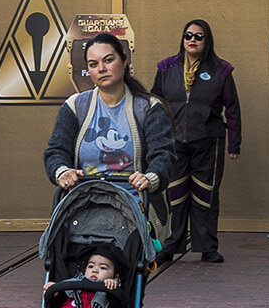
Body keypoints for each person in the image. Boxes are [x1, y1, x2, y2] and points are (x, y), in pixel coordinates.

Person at [45, 34, 177, 206]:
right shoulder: (75, 106)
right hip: (84, 206)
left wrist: (150, 177)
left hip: (135, 207)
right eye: (93, 64)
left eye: (108, 60)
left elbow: (163, 154)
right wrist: (62, 171)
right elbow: (56, 150)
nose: (101, 68)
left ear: (124, 61)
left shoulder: (148, 108)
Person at [152, 20, 241, 264]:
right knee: (175, 194)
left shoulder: (221, 70)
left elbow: (232, 109)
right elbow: (155, 104)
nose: (192, 39)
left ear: (207, 40)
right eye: (188, 35)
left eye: (198, 36)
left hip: (208, 141)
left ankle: (207, 247)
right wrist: (153, 138)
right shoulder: (167, 68)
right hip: (174, 142)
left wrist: (234, 144)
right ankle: (171, 245)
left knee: (206, 195)